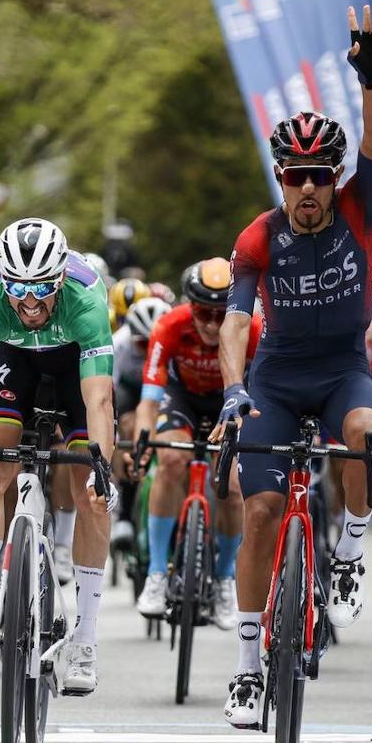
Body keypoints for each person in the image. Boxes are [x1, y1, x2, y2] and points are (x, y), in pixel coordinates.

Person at [216, 5, 372, 725]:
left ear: (334, 176)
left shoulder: (360, 208)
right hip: (277, 377)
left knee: (363, 430)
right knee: (258, 512)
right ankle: (249, 667)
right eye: (296, 177)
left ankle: (347, 552)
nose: (309, 189)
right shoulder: (258, 237)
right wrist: (232, 389)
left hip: (344, 365)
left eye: (320, 175)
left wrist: (371, 78)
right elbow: (234, 322)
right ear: (281, 179)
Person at [0, 218, 116, 695]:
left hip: (73, 367)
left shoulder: (87, 301)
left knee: (87, 488)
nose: (29, 303)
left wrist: (103, 471)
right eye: (17, 288)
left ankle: (86, 639)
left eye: (41, 289)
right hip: (13, 362)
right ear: (1, 280)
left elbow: (98, 400)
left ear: (59, 280)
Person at [132, 260, 262, 631]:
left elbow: (266, 392)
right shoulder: (170, 325)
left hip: (231, 402)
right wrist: (144, 439)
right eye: (202, 311)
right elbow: (149, 398)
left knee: (234, 488)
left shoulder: (253, 329)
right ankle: (157, 572)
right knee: (171, 460)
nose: (210, 323)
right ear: (189, 305)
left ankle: (224, 580)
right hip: (183, 400)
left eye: (221, 315)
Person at [109, 295, 170, 549]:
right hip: (129, 388)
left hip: (162, 387)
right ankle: (124, 513)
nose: (148, 350)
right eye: (143, 344)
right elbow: (107, 388)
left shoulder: (175, 340)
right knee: (129, 428)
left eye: (154, 343)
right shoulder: (119, 342)